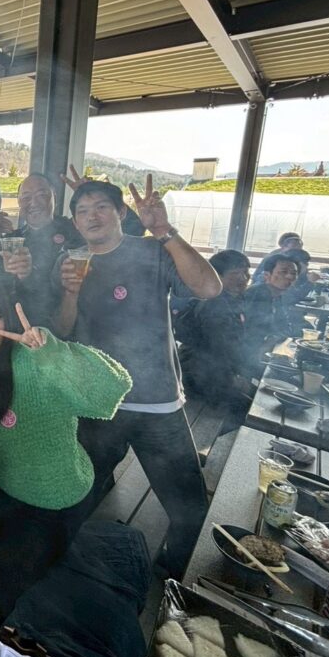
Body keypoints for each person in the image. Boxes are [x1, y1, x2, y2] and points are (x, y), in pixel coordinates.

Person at [0, 277, 131, 654]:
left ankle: (16, 644)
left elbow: (111, 391)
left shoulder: (33, 358)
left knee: (29, 591)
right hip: (3, 486)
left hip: (57, 496)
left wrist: (53, 352)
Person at [54, 176, 222, 581]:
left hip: (156, 403)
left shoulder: (152, 251)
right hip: (97, 404)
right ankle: (68, 573)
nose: (92, 216)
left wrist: (164, 230)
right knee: (74, 498)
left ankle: (175, 579)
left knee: (189, 509)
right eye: (82, 211)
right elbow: (61, 329)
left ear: (121, 212)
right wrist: (70, 293)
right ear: (75, 222)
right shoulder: (71, 261)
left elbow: (210, 288)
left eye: (101, 207)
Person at [178, 250, 254, 428]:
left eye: (246, 273)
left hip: (213, 371)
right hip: (200, 376)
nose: (243, 278)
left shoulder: (233, 300)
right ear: (216, 275)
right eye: (235, 273)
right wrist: (237, 376)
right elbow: (222, 349)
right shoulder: (213, 303)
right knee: (253, 408)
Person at [8, 173, 85, 325]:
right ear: (19, 202)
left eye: (41, 195)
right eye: (26, 197)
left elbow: (119, 233)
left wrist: (87, 196)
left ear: (54, 196)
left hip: (71, 326)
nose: (34, 203)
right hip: (22, 326)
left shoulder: (75, 230)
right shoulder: (13, 240)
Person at [244, 253, 300, 361]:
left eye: (294, 273)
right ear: (267, 275)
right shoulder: (256, 294)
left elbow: (285, 327)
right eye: (283, 272)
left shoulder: (277, 295)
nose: (290, 277)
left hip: (264, 350)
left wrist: (274, 338)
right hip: (247, 354)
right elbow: (251, 331)